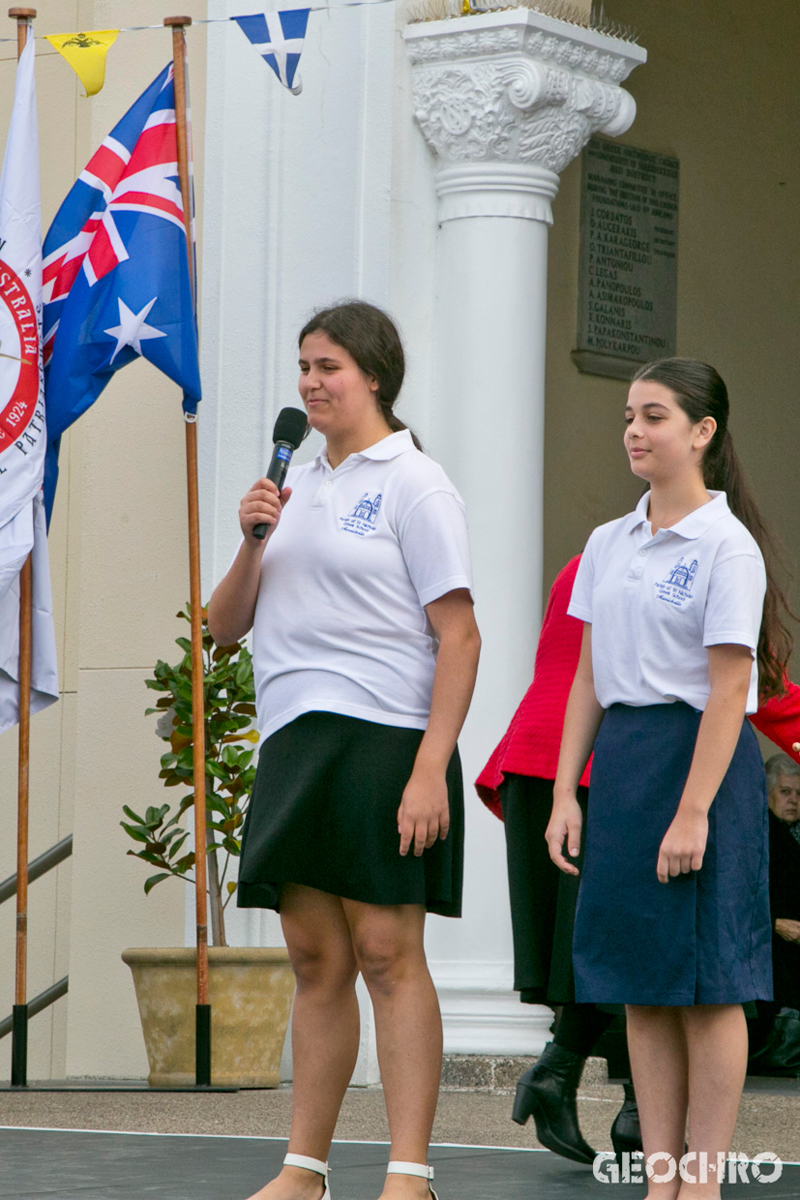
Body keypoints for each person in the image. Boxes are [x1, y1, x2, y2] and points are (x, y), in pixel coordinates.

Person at [208, 301, 481, 1200]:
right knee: (316, 958)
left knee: (385, 951)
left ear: (373, 375)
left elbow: (460, 635)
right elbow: (222, 628)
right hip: (298, 737)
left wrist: (430, 767)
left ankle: (409, 1173)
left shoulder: (414, 482)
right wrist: (255, 540)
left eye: (327, 366)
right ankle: (305, 1168)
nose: (310, 383)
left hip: (387, 735)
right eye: (303, 367)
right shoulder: (291, 488)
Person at [546, 358, 793, 1200]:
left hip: (700, 767)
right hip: (623, 764)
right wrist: (563, 791)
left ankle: (705, 1180)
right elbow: (586, 675)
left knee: (710, 983)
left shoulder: (728, 545)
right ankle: (660, 1179)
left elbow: (731, 688)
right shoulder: (607, 543)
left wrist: (693, 814)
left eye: (653, 415)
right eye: (628, 416)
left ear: (702, 432)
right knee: (638, 984)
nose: (634, 431)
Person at [475, 556, 638, 1162]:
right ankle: (626, 1109)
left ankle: (584, 1089)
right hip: (591, 763)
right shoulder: (678, 555)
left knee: (592, 951)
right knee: (625, 944)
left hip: (541, 755)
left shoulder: (586, 559)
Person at [764, 754, 800, 1010]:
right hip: (771, 951)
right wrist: (774, 922)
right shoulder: (758, 834)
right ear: (767, 793)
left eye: (799, 793)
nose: (794, 800)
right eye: (785, 791)